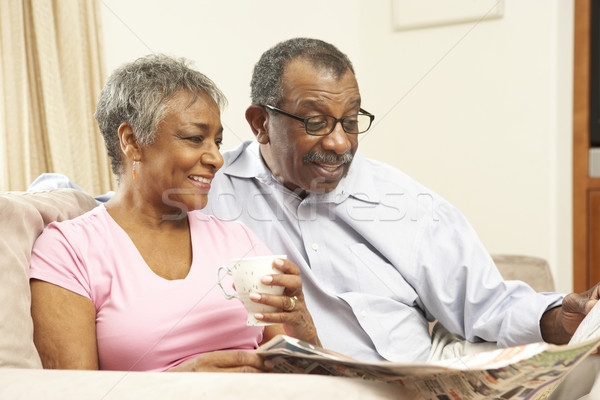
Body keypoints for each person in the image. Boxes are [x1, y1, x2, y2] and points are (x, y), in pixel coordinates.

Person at [200, 37, 600, 363]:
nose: (339, 142)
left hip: (411, 381)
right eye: (316, 122)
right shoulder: (207, 191)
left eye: (351, 121)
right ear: (260, 124)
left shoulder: (404, 199)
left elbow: (485, 304)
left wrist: (559, 317)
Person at [28, 54, 320, 372]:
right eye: (196, 139)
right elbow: (71, 393)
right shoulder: (67, 251)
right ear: (132, 141)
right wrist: (176, 385)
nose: (216, 159)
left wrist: (303, 327)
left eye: (217, 142)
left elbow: (303, 376)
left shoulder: (238, 241)